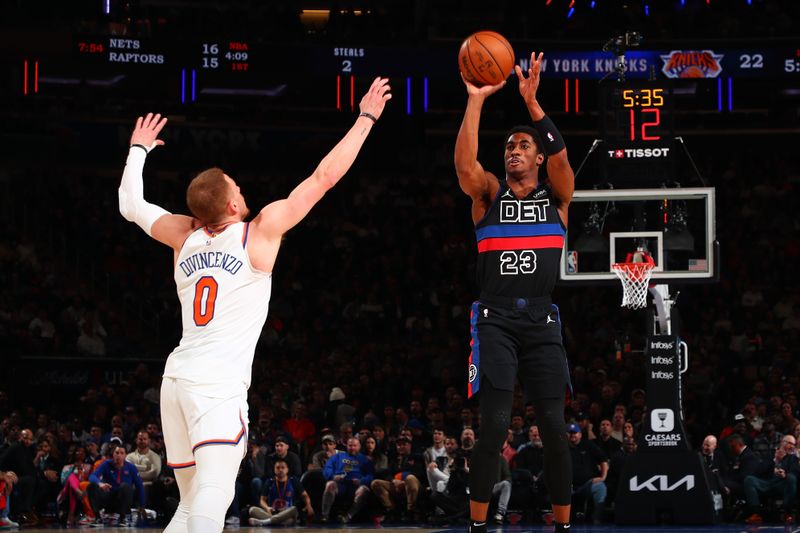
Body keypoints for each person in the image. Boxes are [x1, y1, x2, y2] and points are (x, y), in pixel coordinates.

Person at [117, 78, 391, 533]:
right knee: (216, 493)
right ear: (230, 202)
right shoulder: (257, 232)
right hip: (216, 384)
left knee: (189, 504)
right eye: (238, 187)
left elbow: (130, 203)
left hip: (177, 378)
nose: (244, 191)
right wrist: (366, 117)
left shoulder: (181, 234)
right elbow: (324, 178)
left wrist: (138, 149)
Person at [454, 51, 574, 533]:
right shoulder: (487, 193)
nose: (514, 150)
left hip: (542, 321)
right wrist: (476, 100)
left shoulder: (557, 196)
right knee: (493, 427)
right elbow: (464, 163)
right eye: (509, 147)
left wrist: (533, 104)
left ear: (538, 157)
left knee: (554, 432)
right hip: (496, 320)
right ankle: (479, 526)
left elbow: (563, 155)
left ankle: (564, 526)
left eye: (523, 145)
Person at [248, 458, 313, 527]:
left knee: (294, 509)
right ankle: (273, 521)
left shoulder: (293, 480)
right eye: (278, 468)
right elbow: (262, 500)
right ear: (274, 469)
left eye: (283, 467)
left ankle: (266, 521)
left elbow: (305, 495)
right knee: (252, 510)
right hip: (272, 513)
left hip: (287, 514)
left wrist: (309, 505)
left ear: (287, 469)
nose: (280, 470)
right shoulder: (270, 481)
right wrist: (267, 508)